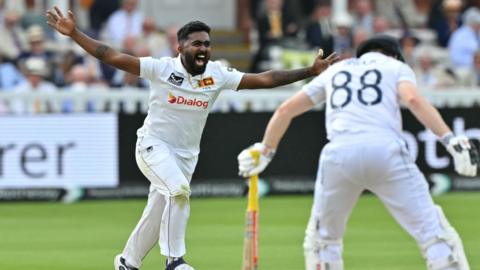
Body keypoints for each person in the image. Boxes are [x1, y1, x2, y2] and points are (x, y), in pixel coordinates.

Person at [46, 6, 338, 270]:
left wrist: (309, 72)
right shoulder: (162, 69)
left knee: (158, 209)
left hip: (187, 155)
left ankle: (127, 262)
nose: (203, 49)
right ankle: (175, 261)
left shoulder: (216, 74)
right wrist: (74, 34)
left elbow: (265, 79)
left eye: (207, 44)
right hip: (152, 146)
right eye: (197, 43)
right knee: (179, 191)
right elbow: (109, 55)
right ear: (180, 46)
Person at [238, 35, 479, 270]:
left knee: (323, 242)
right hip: (386, 151)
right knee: (435, 236)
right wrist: (451, 139)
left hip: (339, 155)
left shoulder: (336, 70)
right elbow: (414, 100)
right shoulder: (395, 66)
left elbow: (285, 110)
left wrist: (266, 150)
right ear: (394, 55)